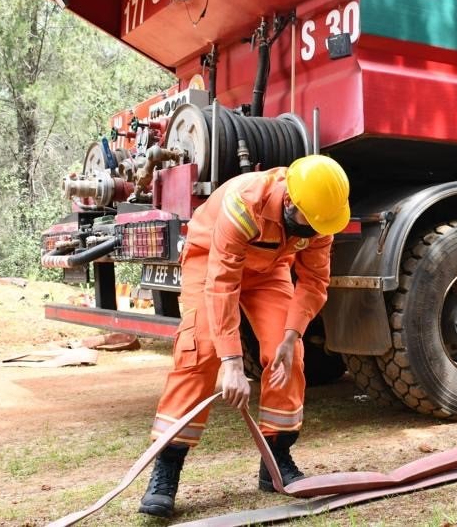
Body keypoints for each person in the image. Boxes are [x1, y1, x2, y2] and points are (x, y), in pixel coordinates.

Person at [139, 154, 351, 518]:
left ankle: (275, 459)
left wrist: (290, 336)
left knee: (288, 356)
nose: (316, 231)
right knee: (200, 351)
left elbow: (315, 281)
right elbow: (222, 283)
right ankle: (167, 468)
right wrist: (233, 363)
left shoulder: (320, 215)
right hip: (210, 259)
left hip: (268, 270)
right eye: (311, 222)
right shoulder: (245, 203)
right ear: (290, 202)